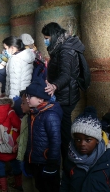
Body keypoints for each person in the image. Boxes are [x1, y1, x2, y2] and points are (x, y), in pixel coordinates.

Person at [42, 22, 84, 160]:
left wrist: (54, 86)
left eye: (47, 37)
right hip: (64, 93)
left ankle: (68, 161)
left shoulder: (66, 50)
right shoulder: (59, 47)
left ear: (53, 36)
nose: (45, 40)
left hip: (67, 96)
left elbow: (66, 75)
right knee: (62, 128)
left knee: (64, 131)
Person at [60, 106, 110, 192]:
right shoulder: (70, 160)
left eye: (88, 140)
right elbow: (65, 184)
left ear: (97, 140)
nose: (82, 144)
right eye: (77, 139)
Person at [18, 77, 62, 192]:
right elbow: (30, 140)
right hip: (36, 162)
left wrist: (52, 165)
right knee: (39, 187)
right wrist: (28, 159)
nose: (27, 99)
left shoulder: (50, 115)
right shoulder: (33, 114)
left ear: (40, 99)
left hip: (45, 162)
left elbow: (55, 141)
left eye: (29, 96)